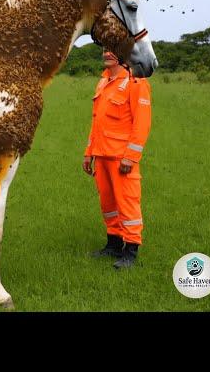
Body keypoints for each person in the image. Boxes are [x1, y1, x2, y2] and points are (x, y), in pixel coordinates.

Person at [82, 49, 152, 269]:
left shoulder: (136, 81)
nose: (107, 53)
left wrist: (130, 157)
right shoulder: (103, 81)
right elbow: (97, 121)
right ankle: (113, 244)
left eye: (114, 49)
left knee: (128, 203)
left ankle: (131, 250)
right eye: (105, 49)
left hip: (122, 158)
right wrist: (89, 152)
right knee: (108, 204)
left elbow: (142, 124)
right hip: (101, 154)